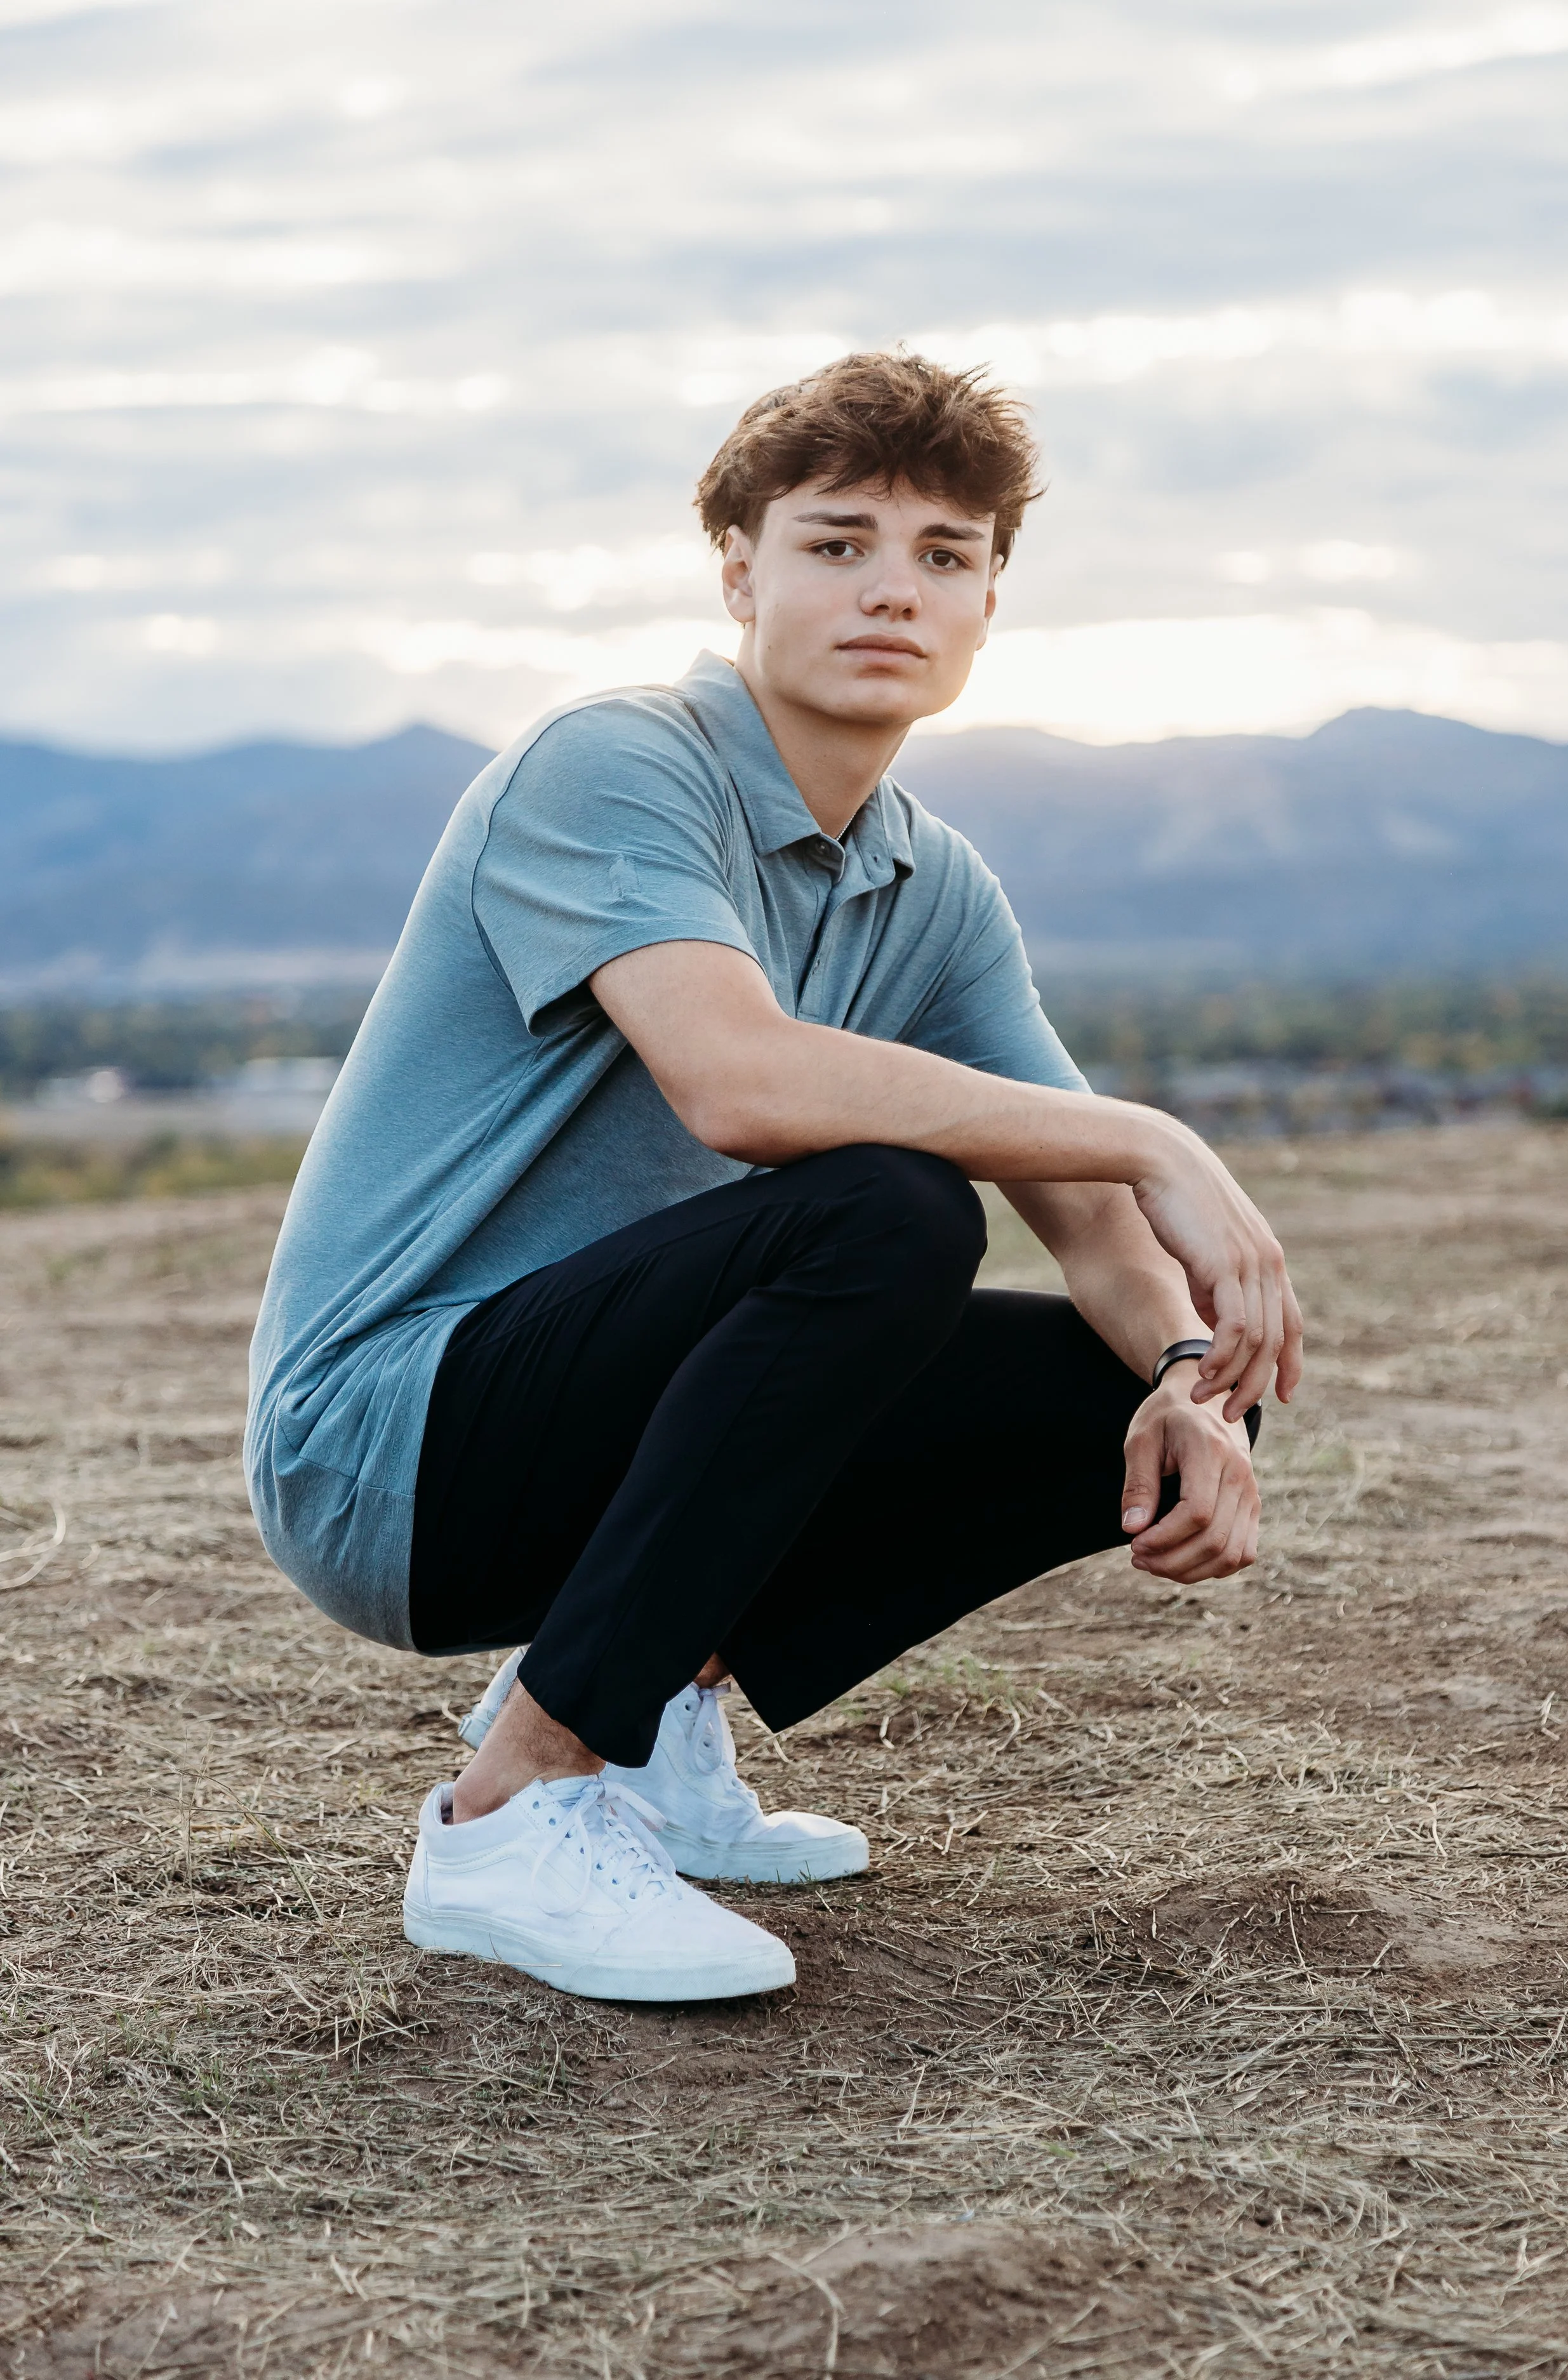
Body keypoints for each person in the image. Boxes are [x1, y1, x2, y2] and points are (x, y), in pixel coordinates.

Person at [246, 350, 1302, 2006]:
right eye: (836, 542)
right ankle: (514, 1805)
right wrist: (1159, 1135)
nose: (892, 587)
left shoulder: (928, 887)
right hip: (391, 1444)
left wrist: (1193, 1379)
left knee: (1139, 1370)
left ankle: (649, 1706)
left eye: (942, 555)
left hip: (592, 1432)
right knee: (883, 1210)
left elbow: (1100, 1239)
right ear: (739, 568)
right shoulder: (613, 765)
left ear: (988, 601)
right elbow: (737, 1083)